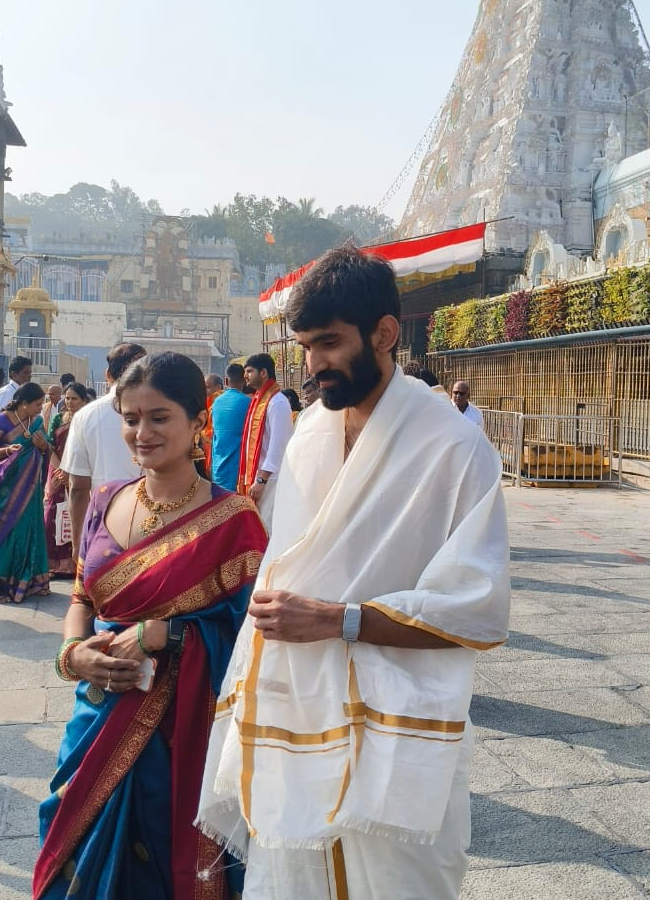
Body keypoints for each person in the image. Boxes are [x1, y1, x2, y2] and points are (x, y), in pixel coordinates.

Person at [198, 246, 510, 900]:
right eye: (305, 346)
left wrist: (339, 621)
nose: (313, 364)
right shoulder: (311, 431)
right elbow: (292, 562)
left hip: (396, 732)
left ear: (385, 334)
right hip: (297, 711)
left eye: (329, 343)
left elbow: (478, 608)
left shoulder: (452, 446)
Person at [34, 352, 268, 900]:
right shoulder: (106, 499)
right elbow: (81, 600)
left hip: (181, 737)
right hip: (96, 713)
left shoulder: (234, 522)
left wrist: (169, 635)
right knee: (73, 841)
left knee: (161, 865)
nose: (141, 432)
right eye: (130, 418)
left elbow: (256, 646)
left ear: (198, 422)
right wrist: (74, 654)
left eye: (159, 417)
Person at [61, 343, 145, 561]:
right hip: (154, 526)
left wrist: (79, 545)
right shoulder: (165, 411)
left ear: (107, 375)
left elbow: (79, 488)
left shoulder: (86, 416)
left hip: (104, 530)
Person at [0, 382, 51, 603]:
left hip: (31, 489)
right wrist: (6, 450)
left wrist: (43, 447)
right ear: (23, 404)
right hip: (8, 489)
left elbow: (49, 449)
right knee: (9, 531)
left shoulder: (37, 421)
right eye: (38, 404)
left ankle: (28, 580)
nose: (41, 408)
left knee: (29, 530)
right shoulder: (3, 419)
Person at [237, 353, 294, 532]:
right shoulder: (258, 400)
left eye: (249, 371)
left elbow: (279, 445)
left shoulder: (278, 402)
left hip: (270, 479)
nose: (245, 376)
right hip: (258, 477)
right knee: (257, 525)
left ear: (263, 373)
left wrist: (262, 480)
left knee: (266, 528)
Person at [44, 382, 90, 577]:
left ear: (84, 400)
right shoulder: (57, 419)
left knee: (77, 515)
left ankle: (74, 564)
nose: (70, 402)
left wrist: (71, 472)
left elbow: (88, 449)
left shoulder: (88, 420)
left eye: (74, 399)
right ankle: (53, 564)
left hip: (79, 473)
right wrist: (61, 470)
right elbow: (50, 445)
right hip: (57, 471)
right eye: (68, 398)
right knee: (51, 516)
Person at [211, 362, 251, 491]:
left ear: (226, 380)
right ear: (245, 381)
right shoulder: (248, 403)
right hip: (238, 470)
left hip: (217, 467)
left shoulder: (216, 402)